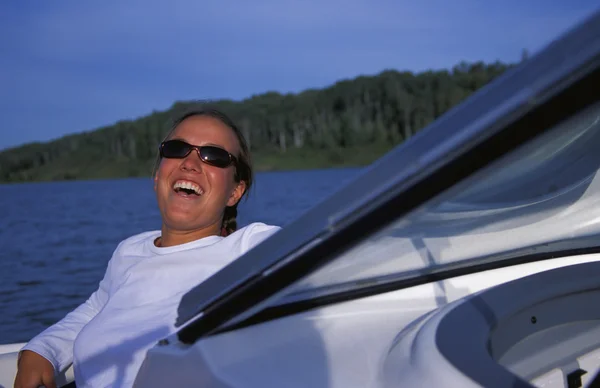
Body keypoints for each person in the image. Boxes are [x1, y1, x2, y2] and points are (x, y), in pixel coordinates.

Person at [14, 106, 281, 388]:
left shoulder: (247, 249)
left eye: (213, 156)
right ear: (157, 177)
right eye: (177, 149)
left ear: (235, 192)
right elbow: (97, 309)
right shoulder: (130, 251)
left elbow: (315, 251)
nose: (190, 163)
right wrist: (43, 349)